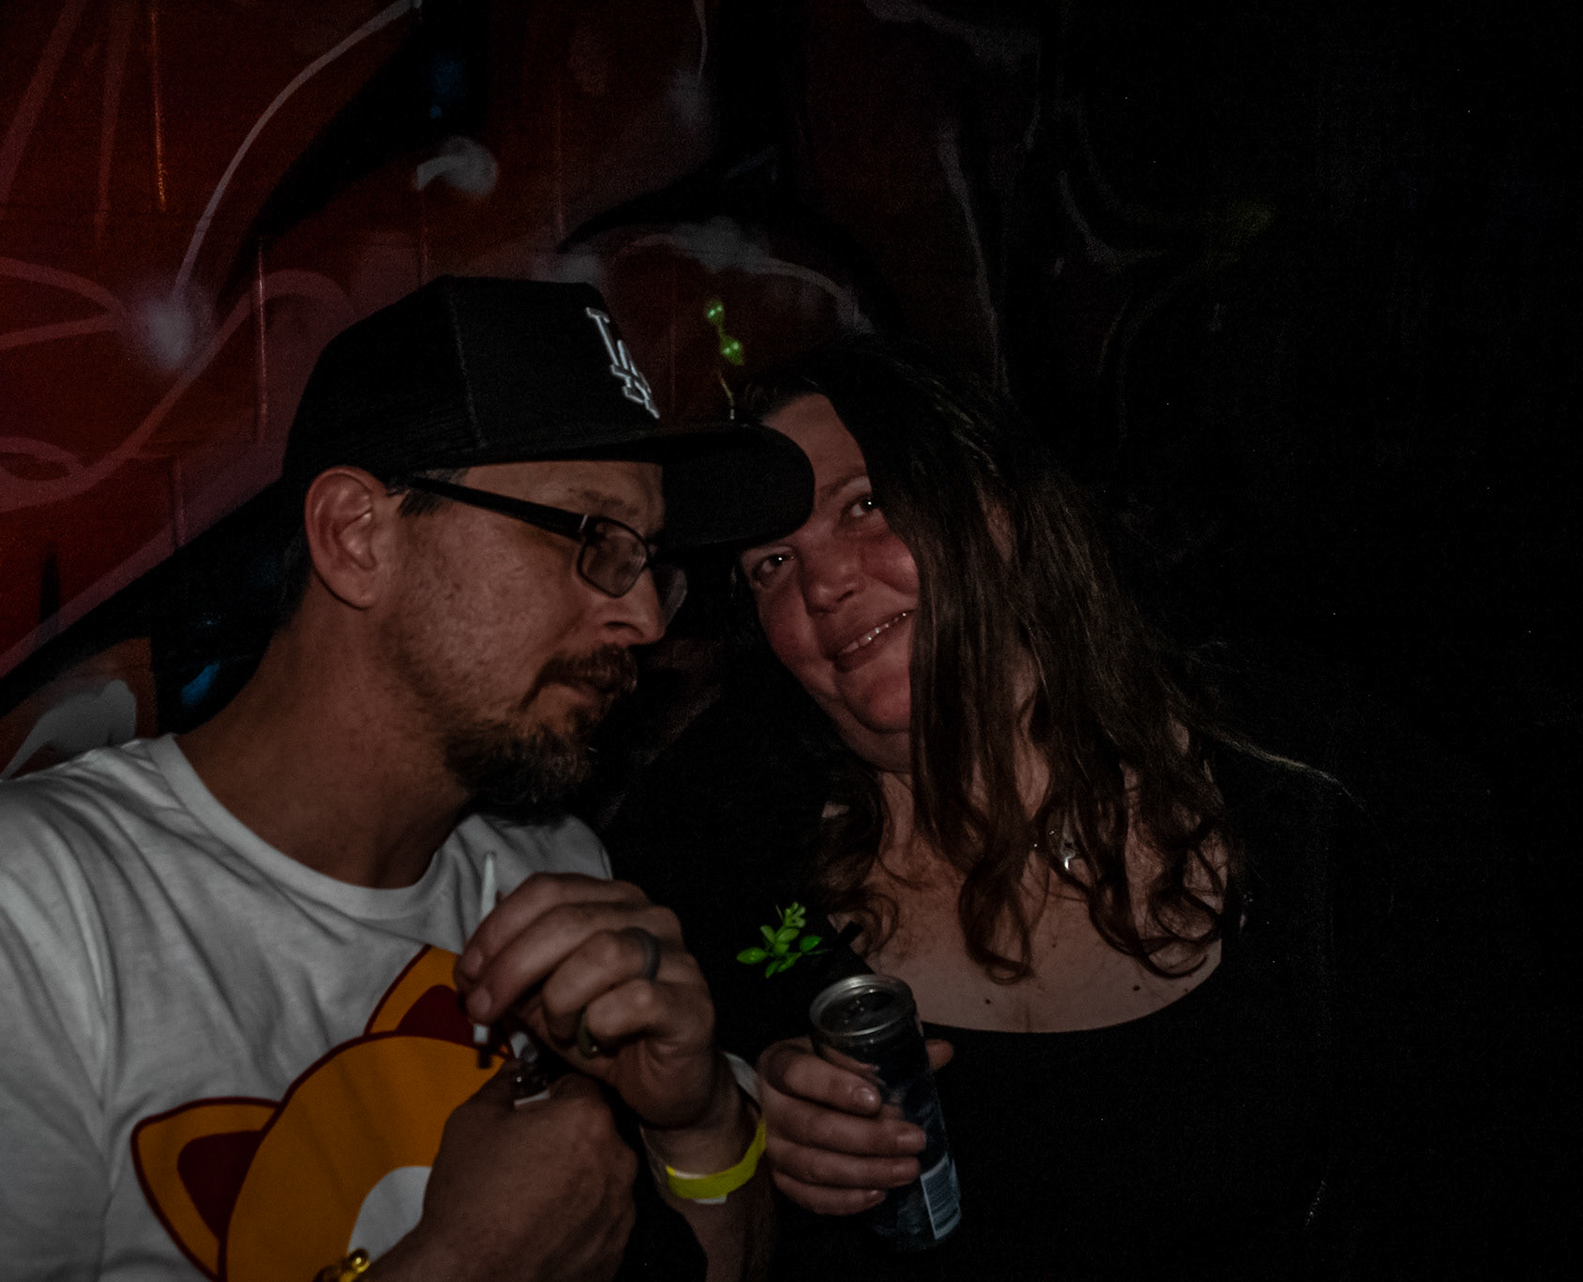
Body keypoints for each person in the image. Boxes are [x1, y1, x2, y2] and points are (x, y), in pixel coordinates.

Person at [0, 277, 814, 1282]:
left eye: (651, 563)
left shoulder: (554, 871)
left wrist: (696, 1126)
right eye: (594, 539)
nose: (644, 617)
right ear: (356, 535)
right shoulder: (12, 909)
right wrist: (460, 1266)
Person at [603, 335, 1539, 1278]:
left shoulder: (1322, 789)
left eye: (867, 504)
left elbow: (1484, 1172)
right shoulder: (715, 876)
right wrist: (748, 1127)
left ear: (1000, 505)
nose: (823, 582)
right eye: (770, 562)